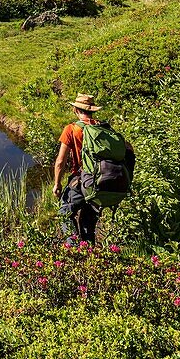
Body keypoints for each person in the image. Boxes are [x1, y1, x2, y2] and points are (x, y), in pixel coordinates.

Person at [52, 92, 131, 245]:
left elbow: (60, 162)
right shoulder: (105, 129)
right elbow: (126, 149)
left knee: (64, 213)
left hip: (82, 180)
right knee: (88, 221)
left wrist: (57, 184)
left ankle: (74, 249)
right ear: (93, 110)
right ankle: (89, 254)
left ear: (76, 110)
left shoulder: (71, 129)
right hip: (101, 182)